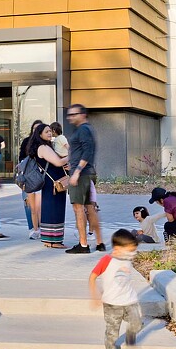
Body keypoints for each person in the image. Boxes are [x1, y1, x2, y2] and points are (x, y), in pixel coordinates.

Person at [89, 229, 142, 349]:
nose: (132, 254)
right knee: (112, 331)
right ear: (117, 249)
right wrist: (95, 295)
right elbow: (92, 277)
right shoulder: (107, 260)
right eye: (129, 251)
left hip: (130, 300)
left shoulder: (127, 257)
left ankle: (131, 332)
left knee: (137, 323)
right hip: (112, 303)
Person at [65, 104, 104, 254]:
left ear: (83, 114)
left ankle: (83, 245)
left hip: (81, 175)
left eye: (73, 114)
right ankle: (99, 243)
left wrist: (76, 172)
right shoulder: (85, 129)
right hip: (85, 173)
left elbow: (87, 152)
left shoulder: (83, 129)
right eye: (69, 115)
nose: (70, 117)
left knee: (78, 208)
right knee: (89, 208)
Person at [28, 123, 69, 248]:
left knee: (50, 208)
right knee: (54, 209)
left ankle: (49, 240)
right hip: (53, 182)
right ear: (39, 134)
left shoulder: (45, 146)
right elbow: (58, 162)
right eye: (46, 132)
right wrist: (72, 155)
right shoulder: (43, 147)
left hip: (52, 181)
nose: (50, 133)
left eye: (50, 131)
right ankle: (53, 241)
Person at [19, 120, 44, 239]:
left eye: (39, 128)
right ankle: (32, 228)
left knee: (40, 206)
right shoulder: (26, 142)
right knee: (28, 204)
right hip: (28, 177)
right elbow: (21, 159)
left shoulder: (45, 143)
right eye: (34, 128)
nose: (36, 131)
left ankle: (42, 228)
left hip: (41, 178)